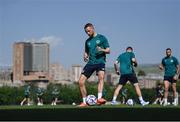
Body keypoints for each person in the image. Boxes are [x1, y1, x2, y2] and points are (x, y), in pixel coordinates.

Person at [78, 23, 110, 107]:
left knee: (101, 78)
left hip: (100, 62)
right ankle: (84, 102)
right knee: (80, 82)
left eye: (88, 31)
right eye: (86, 32)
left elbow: (108, 50)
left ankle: (99, 98)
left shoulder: (102, 38)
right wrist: (85, 55)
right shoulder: (87, 41)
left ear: (93, 28)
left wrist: (102, 49)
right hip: (90, 63)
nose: (87, 33)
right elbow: (86, 51)